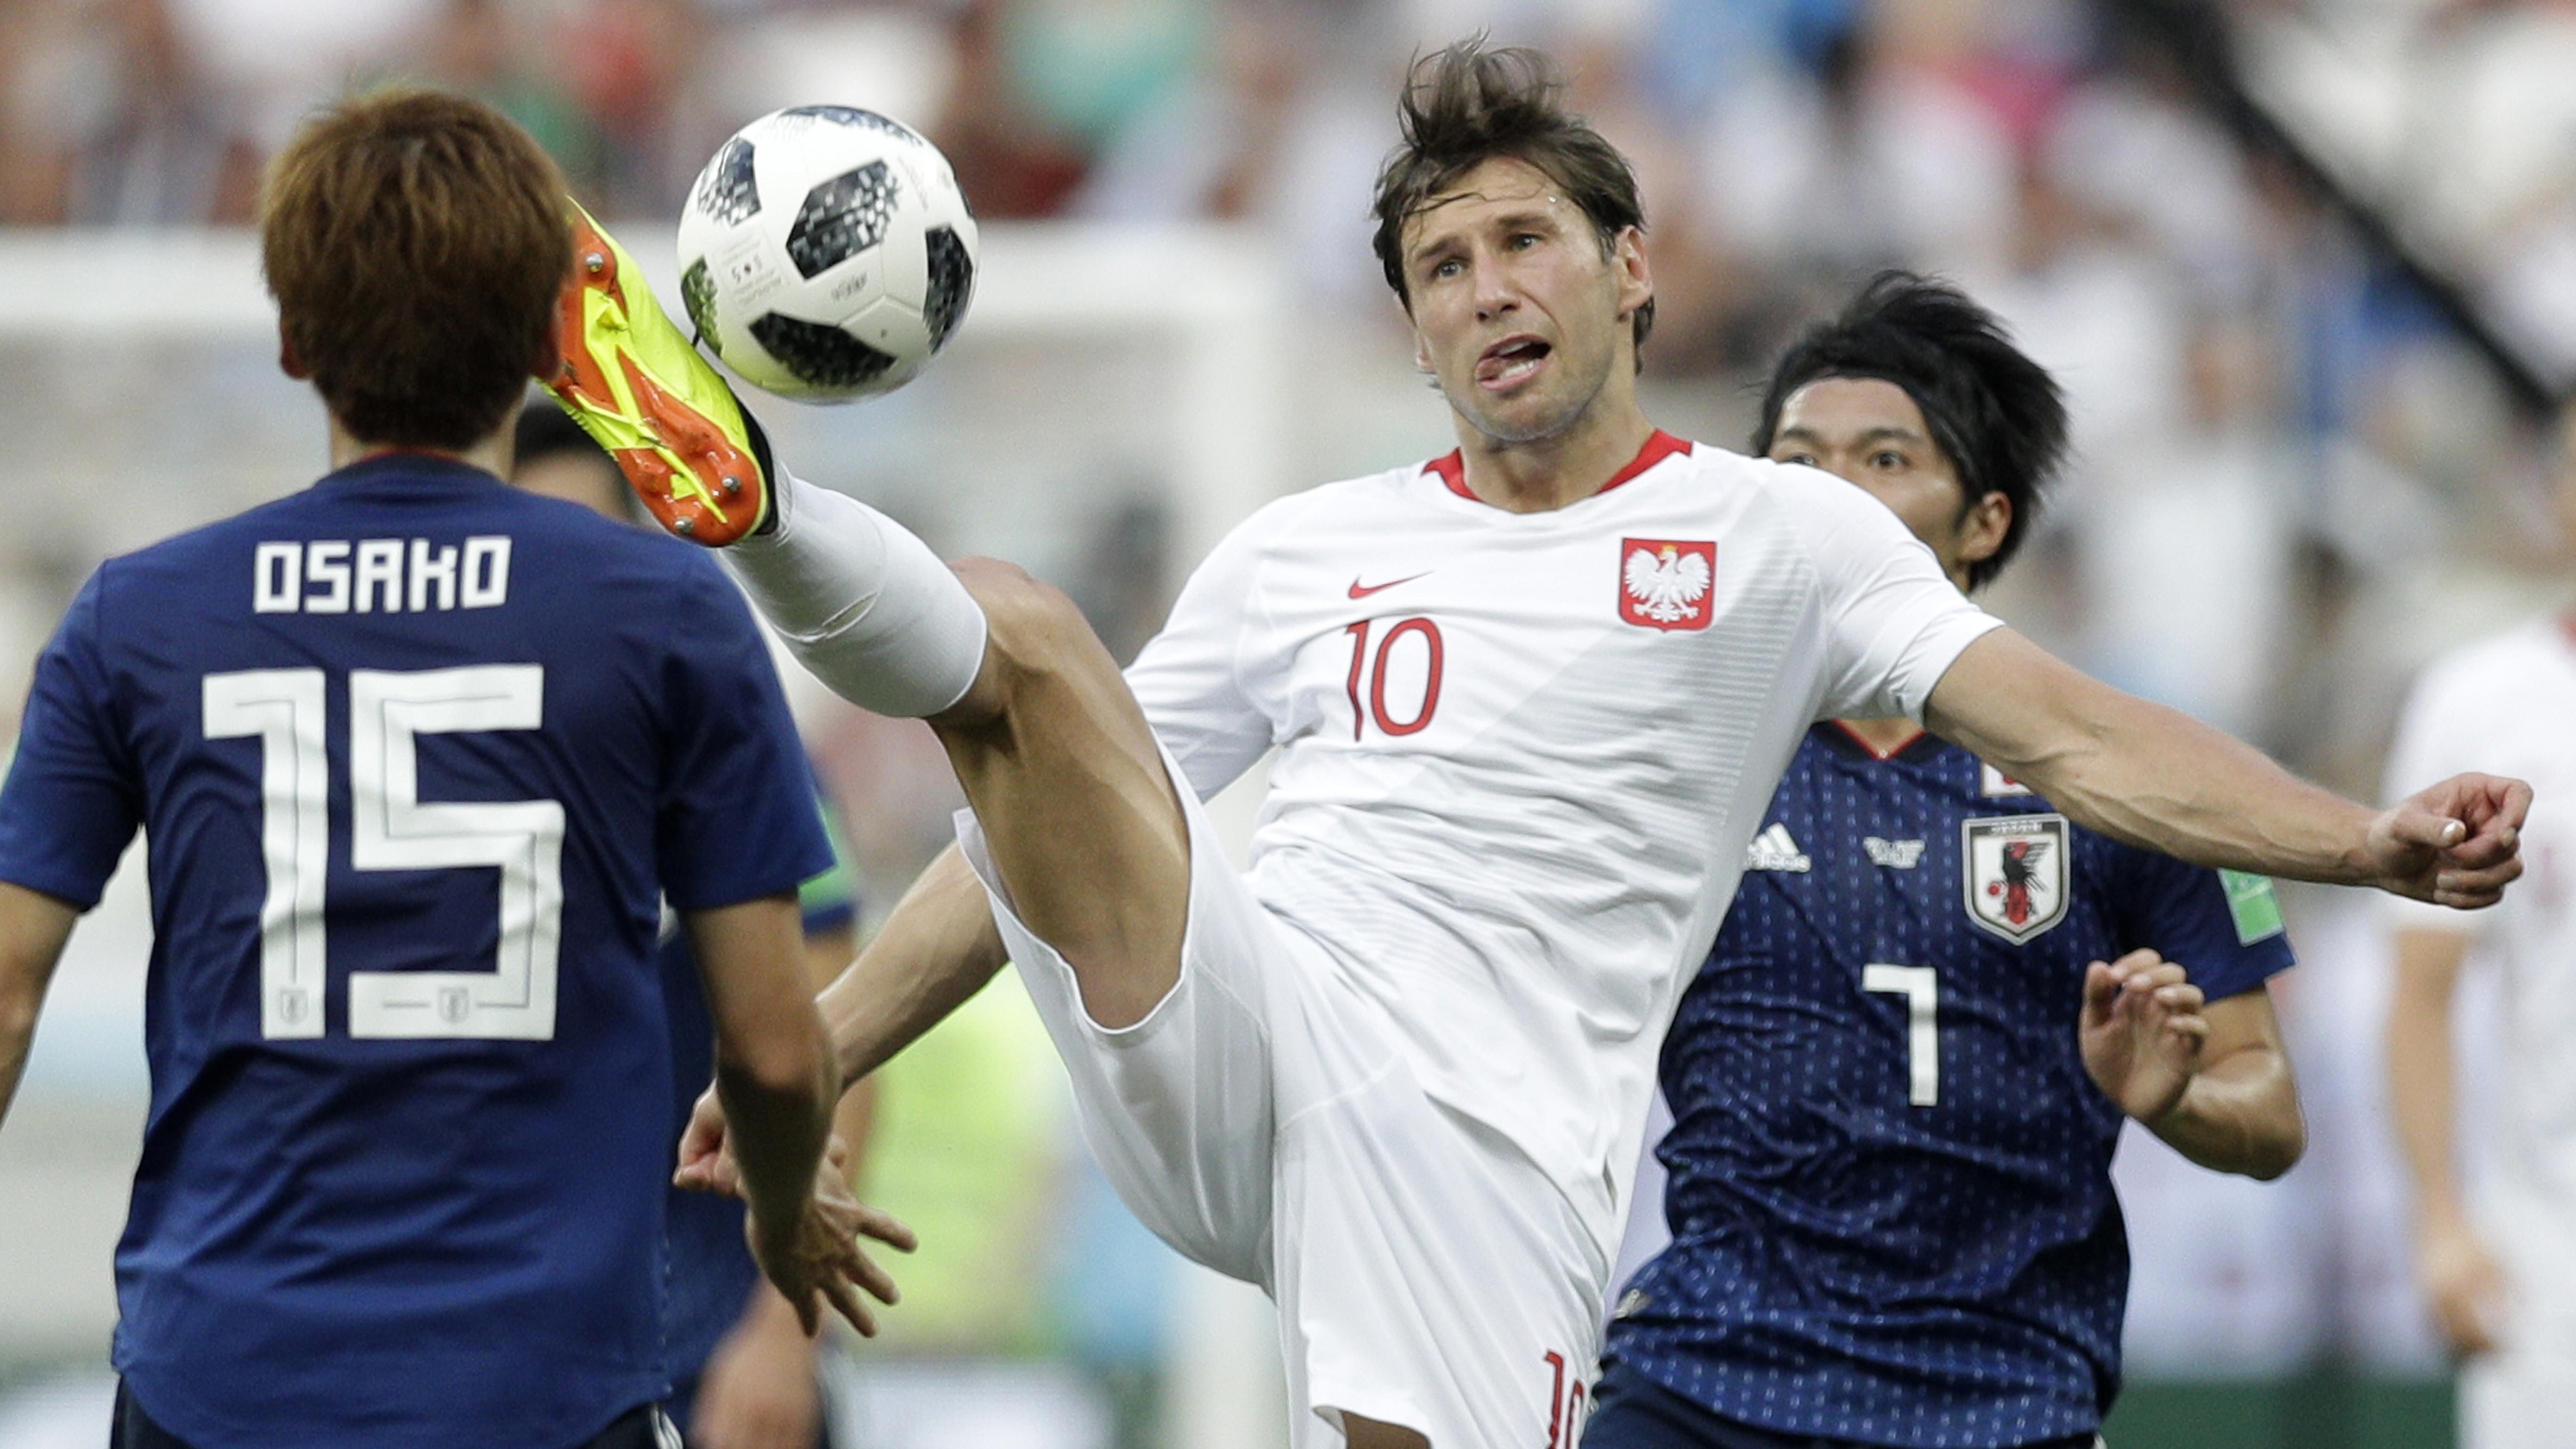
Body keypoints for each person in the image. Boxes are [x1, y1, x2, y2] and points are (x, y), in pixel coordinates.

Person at [547, 41, 2526, 1449]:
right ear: (1412, 331)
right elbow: (1016, 844)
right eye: (1442, 267)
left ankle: (761, 505)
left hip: (1492, 1131)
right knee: (1033, 656)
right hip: (1245, 1024)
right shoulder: (1304, 549)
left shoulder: (1779, 532)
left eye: (1524, 242)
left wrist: (2364, 842)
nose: (1489, 286)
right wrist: (833, 1052)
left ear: (1630, 265)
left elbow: (2083, 738)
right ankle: (757, 508)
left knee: (1049, 673)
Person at [0, 91, 899, 1449]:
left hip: (218, 1378)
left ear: (295, 338)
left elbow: (8, 986)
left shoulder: (140, 616)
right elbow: (775, 1049)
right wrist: (783, 1217)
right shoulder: (662, 612)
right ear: (550, 340)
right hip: (542, 1384)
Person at [1586, 274, 2306, 1449]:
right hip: (1711, 1378)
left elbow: (2270, 1114)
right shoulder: (1674, 755)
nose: (1828, 499)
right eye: (1797, 463)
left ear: (1985, 522)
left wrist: (2173, 1100)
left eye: (1883, 459)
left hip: (1999, 1400)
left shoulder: (2129, 770)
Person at [512, 405, 883, 1449]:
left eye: (586, 545)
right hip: (506, 1356)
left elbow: (834, 1045)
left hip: (716, 1345)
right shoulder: (443, 767)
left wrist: (782, 1330)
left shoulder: (733, 749)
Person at [2383, 406, 2576, 1449]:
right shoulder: (2480, 701)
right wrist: (2441, 1219)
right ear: (2557, 494)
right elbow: (2421, 994)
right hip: (2549, 1257)